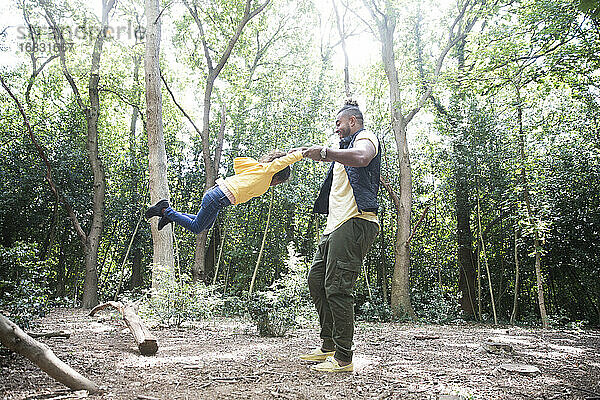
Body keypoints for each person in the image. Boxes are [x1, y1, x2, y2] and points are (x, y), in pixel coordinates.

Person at [299, 100, 380, 372]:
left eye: (338, 123)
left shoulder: (365, 137)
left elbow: (364, 157)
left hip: (356, 221)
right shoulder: (343, 150)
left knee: (337, 287)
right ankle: (329, 345)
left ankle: (344, 357)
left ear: (352, 121)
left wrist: (324, 152)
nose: (336, 128)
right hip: (334, 225)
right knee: (317, 281)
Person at [145, 150, 303, 233]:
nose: (276, 184)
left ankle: (169, 216)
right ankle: (165, 209)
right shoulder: (266, 171)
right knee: (196, 227)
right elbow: (282, 162)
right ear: (277, 175)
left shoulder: (259, 173)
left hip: (218, 198)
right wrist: (301, 154)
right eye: (279, 181)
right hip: (217, 198)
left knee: (206, 225)